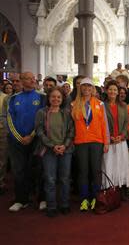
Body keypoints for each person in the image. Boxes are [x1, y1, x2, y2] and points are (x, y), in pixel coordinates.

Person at [6, 72, 46, 212]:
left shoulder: (42, 97)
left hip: (36, 140)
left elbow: (43, 119)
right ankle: (21, 200)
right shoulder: (13, 99)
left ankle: (42, 198)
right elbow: (9, 119)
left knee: (39, 169)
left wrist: (31, 135)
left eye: (33, 78)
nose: (32, 80)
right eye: (28, 78)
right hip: (17, 141)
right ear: (22, 81)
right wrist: (19, 137)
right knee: (19, 171)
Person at [35, 87, 74, 217]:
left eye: (59, 97)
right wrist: (53, 146)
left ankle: (64, 204)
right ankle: (51, 206)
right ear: (49, 98)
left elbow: (71, 131)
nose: (56, 99)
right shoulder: (42, 112)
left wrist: (64, 145)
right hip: (48, 150)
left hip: (65, 150)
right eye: (53, 97)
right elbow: (39, 132)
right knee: (50, 179)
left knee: (65, 178)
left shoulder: (67, 113)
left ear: (62, 99)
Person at [71, 78, 109, 212]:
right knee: (83, 172)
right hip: (81, 142)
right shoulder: (74, 104)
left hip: (97, 141)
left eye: (89, 86)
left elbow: (104, 124)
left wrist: (106, 141)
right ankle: (84, 199)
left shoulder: (100, 104)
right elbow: (71, 127)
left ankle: (95, 198)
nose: (86, 88)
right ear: (80, 88)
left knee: (96, 171)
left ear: (93, 88)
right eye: (84, 86)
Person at [102, 81, 129, 197]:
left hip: (121, 140)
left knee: (121, 165)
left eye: (115, 90)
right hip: (108, 141)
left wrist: (122, 135)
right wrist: (108, 137)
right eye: (110, 89)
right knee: (109, 165)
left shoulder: (123, 105)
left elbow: (126, 122)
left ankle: (121, 189)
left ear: (118, 92)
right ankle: (110, 190)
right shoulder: (102, 105)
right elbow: (101, 123)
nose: (112, 92)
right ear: (106, 90)